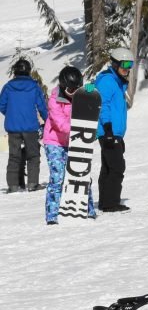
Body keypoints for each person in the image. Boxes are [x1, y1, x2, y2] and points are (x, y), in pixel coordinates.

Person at [42, 66, 95, 224]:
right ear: (63, 87)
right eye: (71, 89)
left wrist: (91, 90)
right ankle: (52, 215)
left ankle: (88, 209)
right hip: (54, 142)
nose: (74, 92)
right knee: (58, 178)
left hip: (74, 141)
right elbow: (60, 124)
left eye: (77, 88)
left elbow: (96, 97)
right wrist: (79, 129)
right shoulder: (54, 99)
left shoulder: (81, 94)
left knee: (82, 174)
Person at [95, 47, 135, 212]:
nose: (127, 68)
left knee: (108, 167)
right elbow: (102, 105)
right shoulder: (108, 81)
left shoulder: (117, 83)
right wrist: (108, 129)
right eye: (124, 64)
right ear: (115, 63)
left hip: (112, 133)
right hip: (108, 132)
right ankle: (111, 203)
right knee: (117, 167)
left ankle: (106, 202)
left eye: (130, 65)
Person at [0, 58, 47, 193]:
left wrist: (11, 114)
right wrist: (47, 120)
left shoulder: (8, 86)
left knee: (14, 156)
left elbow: (2, 105)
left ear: (15, 71)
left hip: (13, 127)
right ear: (28, 71)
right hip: (30, 126)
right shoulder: (34, 86)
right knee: (33, 155)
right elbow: (42, 106)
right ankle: (32, 184)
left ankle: (13, 186)